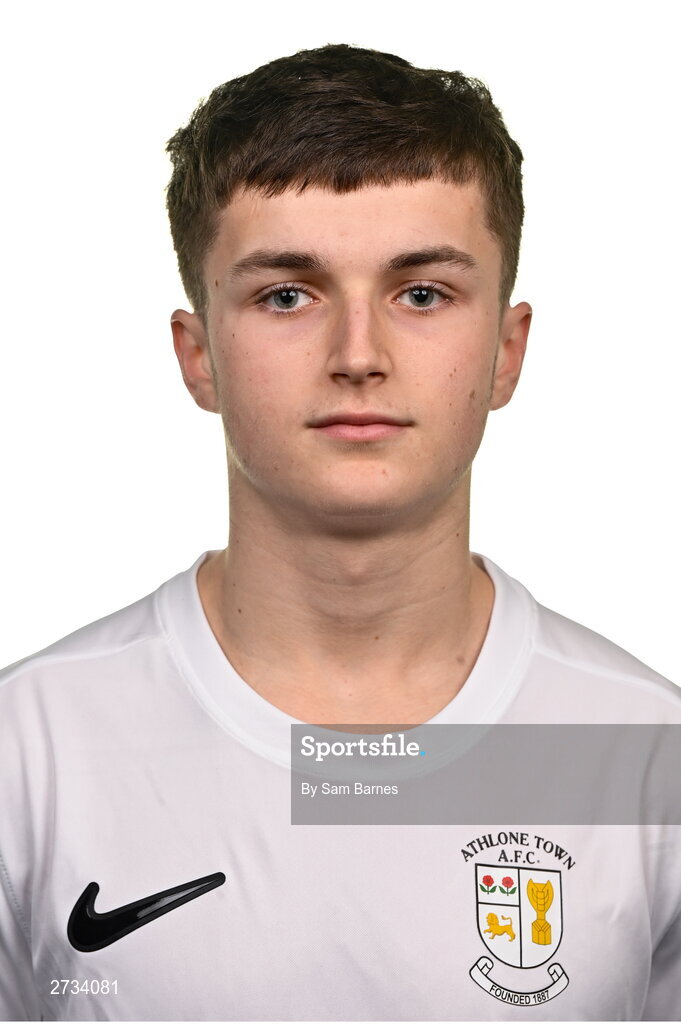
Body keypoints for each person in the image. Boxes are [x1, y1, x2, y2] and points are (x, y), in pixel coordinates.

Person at [1, 41, 679, 1023]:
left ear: (506, 350)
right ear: (199, 356)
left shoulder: (638, 753)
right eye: (287, 293)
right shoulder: (33, 752)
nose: (358, 355)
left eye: (421, 293)